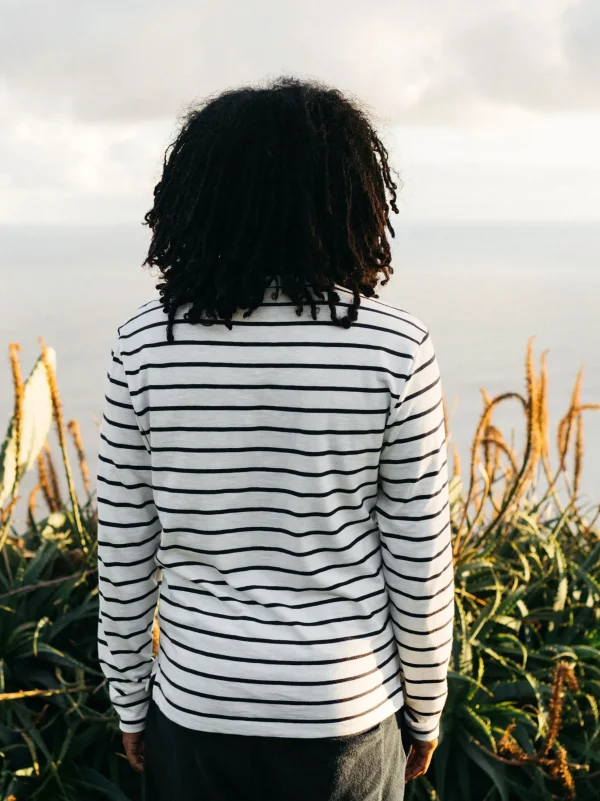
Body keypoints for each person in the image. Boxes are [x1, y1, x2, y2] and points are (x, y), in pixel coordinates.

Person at [97, 76, 454, 801]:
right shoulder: (395, 349)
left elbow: (127, 549)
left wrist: (130, 699)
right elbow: (419, 560)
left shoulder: (145, 344)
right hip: (345, 707)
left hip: (200, 702)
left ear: (198, 197)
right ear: (351, 196)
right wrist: (427, 705)